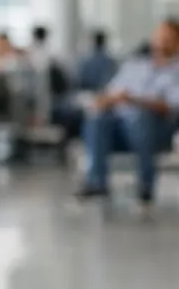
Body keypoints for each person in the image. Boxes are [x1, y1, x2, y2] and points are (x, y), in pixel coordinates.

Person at [74, 19, 179, 211]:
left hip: (157, 127)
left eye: (168, 38)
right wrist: (105, 102)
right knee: (98, 120)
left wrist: (134, 101)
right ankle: (97, 183)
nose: (162, 42)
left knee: (140, 119)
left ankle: (145, 185)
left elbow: (170, 106)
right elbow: (109, 94)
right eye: (159, 36)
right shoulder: (134, 66)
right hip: (121, 128)